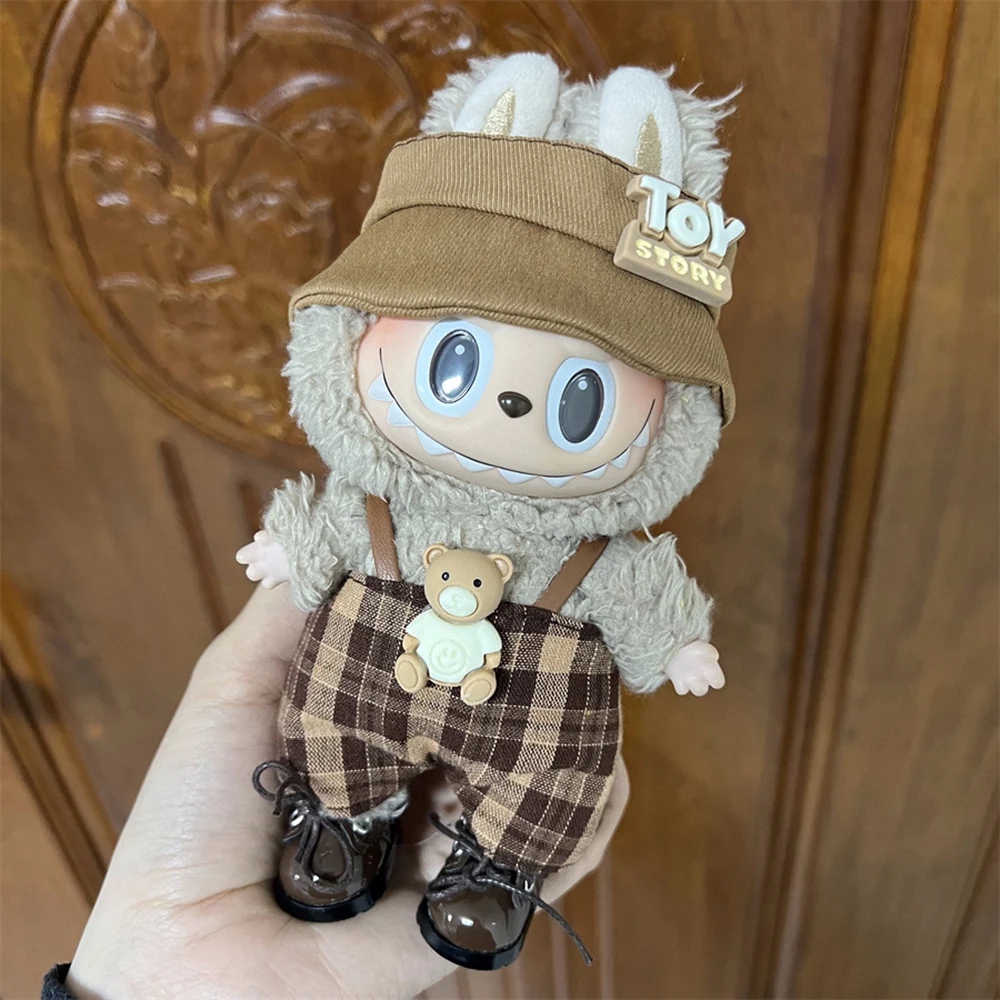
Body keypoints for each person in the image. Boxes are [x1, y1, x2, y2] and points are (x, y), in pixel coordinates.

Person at [47, 584, 628, 1000]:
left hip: (537, 676)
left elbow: (643, 595)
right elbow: (321, 528)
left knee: (544, 783)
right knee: (337, 735)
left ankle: (500, 863)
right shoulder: (383, 498)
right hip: (385, 653)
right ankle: (346, 813)